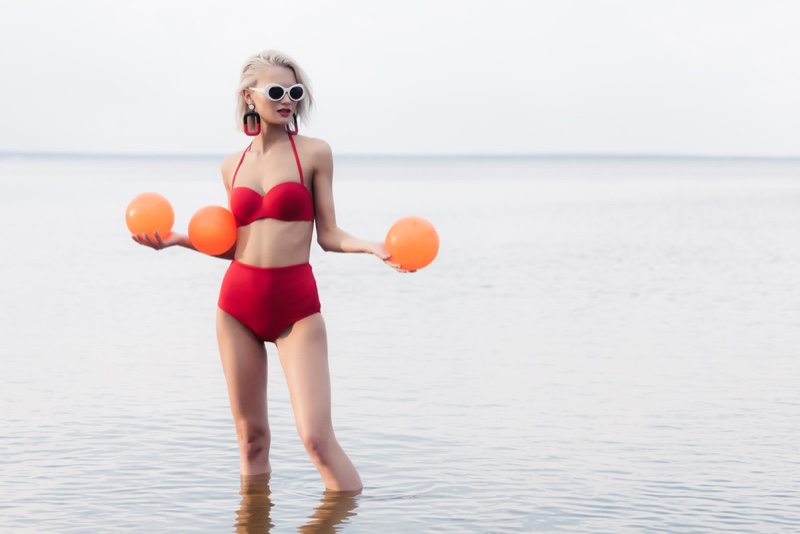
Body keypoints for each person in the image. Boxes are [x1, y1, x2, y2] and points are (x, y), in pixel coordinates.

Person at [132, 50, 404, 492]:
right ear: (249, 97)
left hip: (296, 306)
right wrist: (182, 240)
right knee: (250, 440)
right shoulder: (231, 166)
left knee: (316, 439)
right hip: (236, 305)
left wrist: (370, 247)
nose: (288, 101)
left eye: (295, 93)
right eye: (276, 91)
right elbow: (237, 246)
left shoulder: (314, 153)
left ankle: (350, 517)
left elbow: (328, 234)